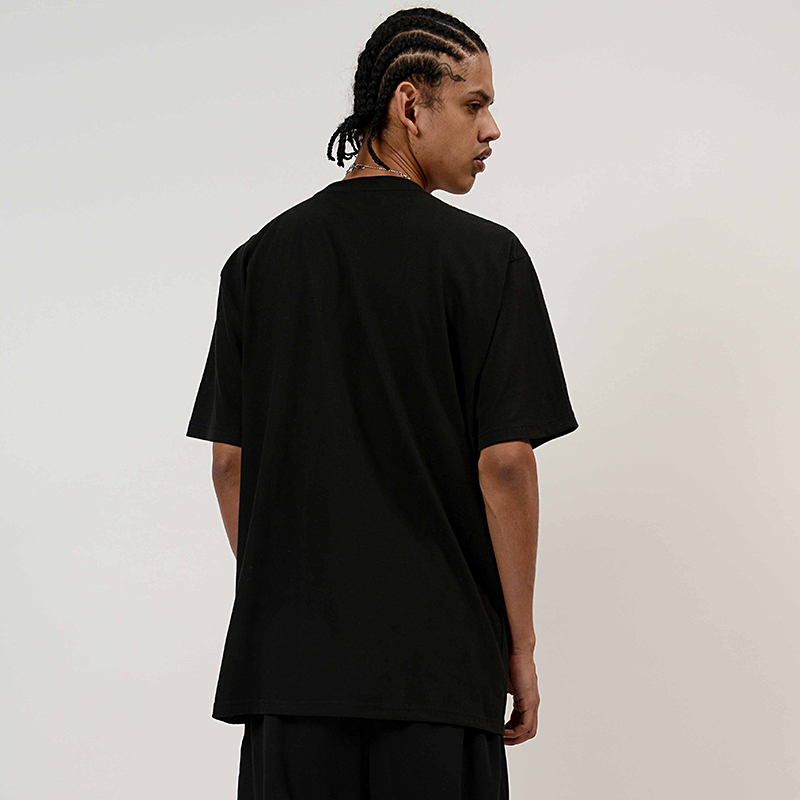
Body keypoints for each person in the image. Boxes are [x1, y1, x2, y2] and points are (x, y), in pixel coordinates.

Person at [186, 7, 579, 798]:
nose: (492, 128)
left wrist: (298, 596)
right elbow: (505, 463)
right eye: (474, 103)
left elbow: (231, 463)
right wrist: (520, 646)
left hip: (291, 671)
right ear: (410, 104)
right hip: (437, 670)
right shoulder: (486, 260)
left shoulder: (259, 262)